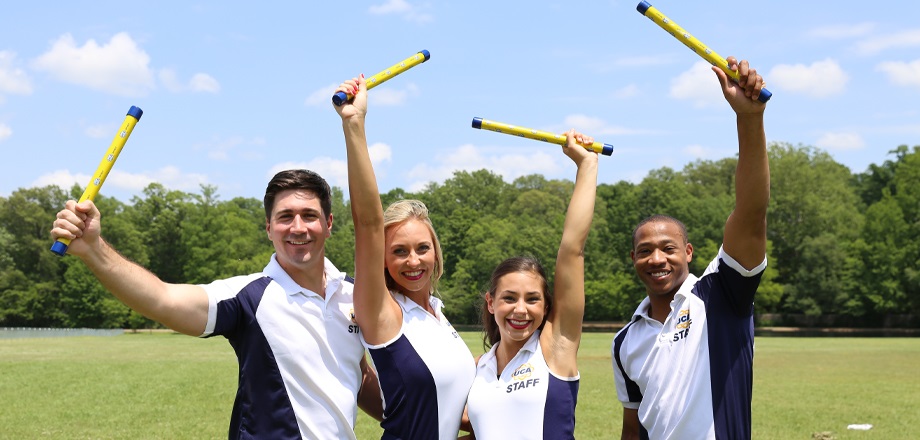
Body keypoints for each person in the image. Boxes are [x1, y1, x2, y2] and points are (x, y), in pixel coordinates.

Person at [49, 169, 382, 439]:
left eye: (309, 215)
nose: (297, 227)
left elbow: (357, 372)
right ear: (269, 228)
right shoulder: (248, 296)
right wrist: (95, 249)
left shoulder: (354, 294)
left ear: (328, 224)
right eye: (285, 217)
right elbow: (162, 299)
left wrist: (407, 416)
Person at [611, 57, 770, 440]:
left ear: (688, 252)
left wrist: (749, 119)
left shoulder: (722, 293)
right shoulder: (624, 341)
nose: (657, 259)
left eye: (668, 248)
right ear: (633, 259)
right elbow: (632, 428)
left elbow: (751, 212)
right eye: (645, 251)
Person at [335, 75, 476, 439]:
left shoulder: (437, 315)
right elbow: (368, 224)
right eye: (398, 251)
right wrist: (354, 124)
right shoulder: (383, 310)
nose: (413, 261)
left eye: (422, 248)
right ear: (382, 260)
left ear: (436, 252)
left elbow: (447, 411)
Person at [465, 128, 599, 439]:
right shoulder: (477, 368)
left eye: (532, 299)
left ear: (547, 306)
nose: (520, 309)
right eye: (509, 298)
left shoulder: (555, 348)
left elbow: (572, 249)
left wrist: (587, 165)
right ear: (491, 302)